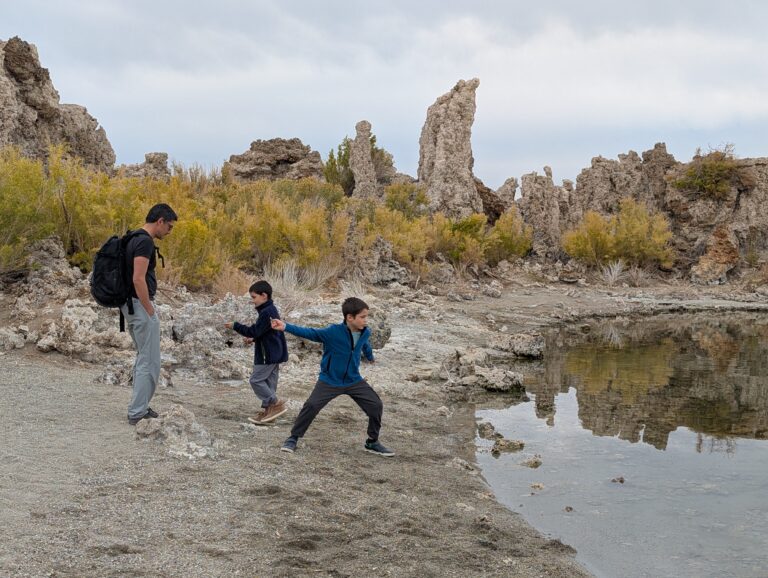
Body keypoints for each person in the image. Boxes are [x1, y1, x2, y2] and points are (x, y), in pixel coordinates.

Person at [271, 297, 394, 457]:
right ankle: (293, 438)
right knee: (312, 405)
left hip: (353, 379)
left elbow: (364, 344)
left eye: (366, 317)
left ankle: (372, 441)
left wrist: (370, 357)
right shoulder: (332, 332)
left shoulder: (366, 331)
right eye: (362, 317)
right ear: (350, 317)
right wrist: (285, 326)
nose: (366, 320)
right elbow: (310, 332)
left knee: (376, 405)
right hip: (330, 380)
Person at [123, 203, 177, 425]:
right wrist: (149, 309)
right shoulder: (144, 241)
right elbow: (138, 278)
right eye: (169, 227)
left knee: (144, 357)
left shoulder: (132, 238)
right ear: (160, 221)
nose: (169, 232)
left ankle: (139, 406)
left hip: (129, 305)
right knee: (150, 360)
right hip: (139, 306)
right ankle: (137, 412)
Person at [224, 280, 288, 424]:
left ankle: (275, 404)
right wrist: (253, 339)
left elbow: (255, 330)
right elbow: (265, 332)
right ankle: (269, 413)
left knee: (256, 380)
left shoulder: (267, 312)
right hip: (275, 352)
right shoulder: (270, 310)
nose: (253, 301)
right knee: (269, 382)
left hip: (268, 354)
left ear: (264, 295)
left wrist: (236, 326)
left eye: (254, 297)